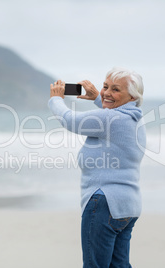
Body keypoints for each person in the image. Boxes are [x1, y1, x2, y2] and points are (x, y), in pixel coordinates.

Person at [48, 67, 146, 268]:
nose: (108, 93)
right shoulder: (135, 118)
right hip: (128, 206)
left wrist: (56, 99)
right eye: (105, 86)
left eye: (116, 89)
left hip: (104, 203)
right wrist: (97, 98)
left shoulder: (110, 119)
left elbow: (69, 120)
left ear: (132, 96)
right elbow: (114, 113)